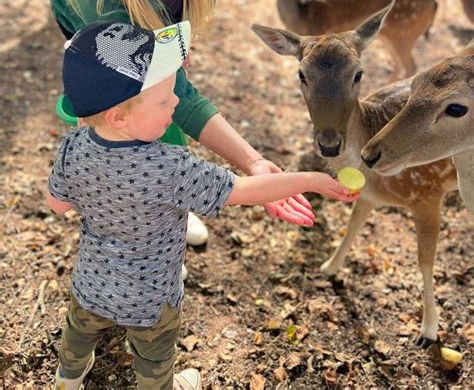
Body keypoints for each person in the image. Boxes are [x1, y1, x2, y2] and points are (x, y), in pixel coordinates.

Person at [47, 20, 357, 390]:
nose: (176, 102)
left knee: (78, 332)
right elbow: (242, 190)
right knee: (154, 357)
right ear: (119, 116)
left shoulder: (72, 148)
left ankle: (68, 376)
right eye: (165, 100)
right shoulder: (172, 166)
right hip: (152, 300)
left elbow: (58, 205)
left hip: (91, 284)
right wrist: (310, 180)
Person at [49, 0, 313, 247]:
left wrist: (166, 45)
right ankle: (120, 196)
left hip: (144, 10)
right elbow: (177, 93)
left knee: (161, 90)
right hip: (87, 18)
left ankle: (167, 187)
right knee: (128, 105)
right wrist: (252, 162)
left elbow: (174, 69)